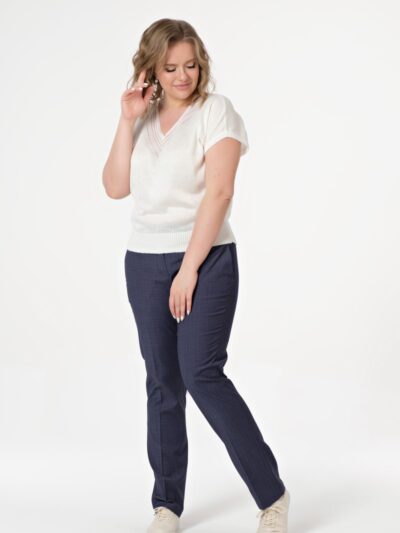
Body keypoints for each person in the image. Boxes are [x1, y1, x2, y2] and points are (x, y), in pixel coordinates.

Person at [102, 18, 290, 533]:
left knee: (201, 374)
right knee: (162, 382)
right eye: (170, 68)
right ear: (151, 69)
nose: (183, 76)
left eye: (190, 65)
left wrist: (189, 269)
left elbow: (221, 193)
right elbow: (115, 187)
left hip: (206, 259)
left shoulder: (216, 111)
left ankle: (272, 496)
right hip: (144, 261)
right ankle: (167, 505)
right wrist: (126, 119)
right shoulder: (141, 116)